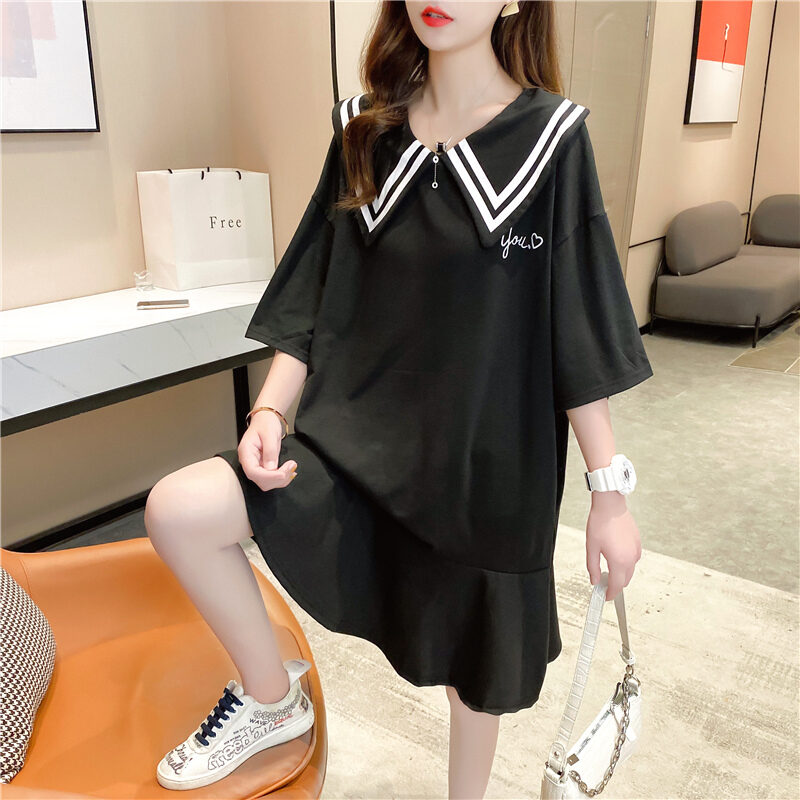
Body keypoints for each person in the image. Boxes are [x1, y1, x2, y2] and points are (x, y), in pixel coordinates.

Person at [145, 0, 653, 795]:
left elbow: (577, 330)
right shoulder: (363, 131)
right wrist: (270, 410)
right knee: (178, 510)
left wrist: (608, 497)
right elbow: (311, 293)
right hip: (353, 454)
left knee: (471, 678)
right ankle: (273, 701)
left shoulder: (553, 140)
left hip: (482, 478)